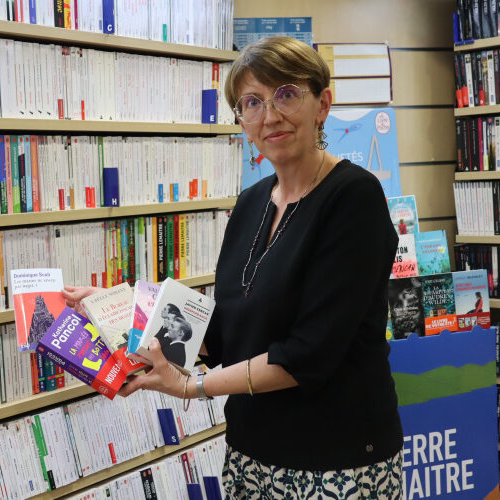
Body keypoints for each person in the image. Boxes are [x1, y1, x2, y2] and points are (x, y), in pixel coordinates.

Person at [64, 36, 403, 499]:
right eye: (252, 102)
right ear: (242, 121)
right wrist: (115, 314)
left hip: (335, 459)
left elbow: (309, 355)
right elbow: (222, 329)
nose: (270, 115)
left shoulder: (353, 199)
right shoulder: (250, 204)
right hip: (250, 452)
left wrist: (192, 387)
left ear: (323, 103)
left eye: (286, 93)